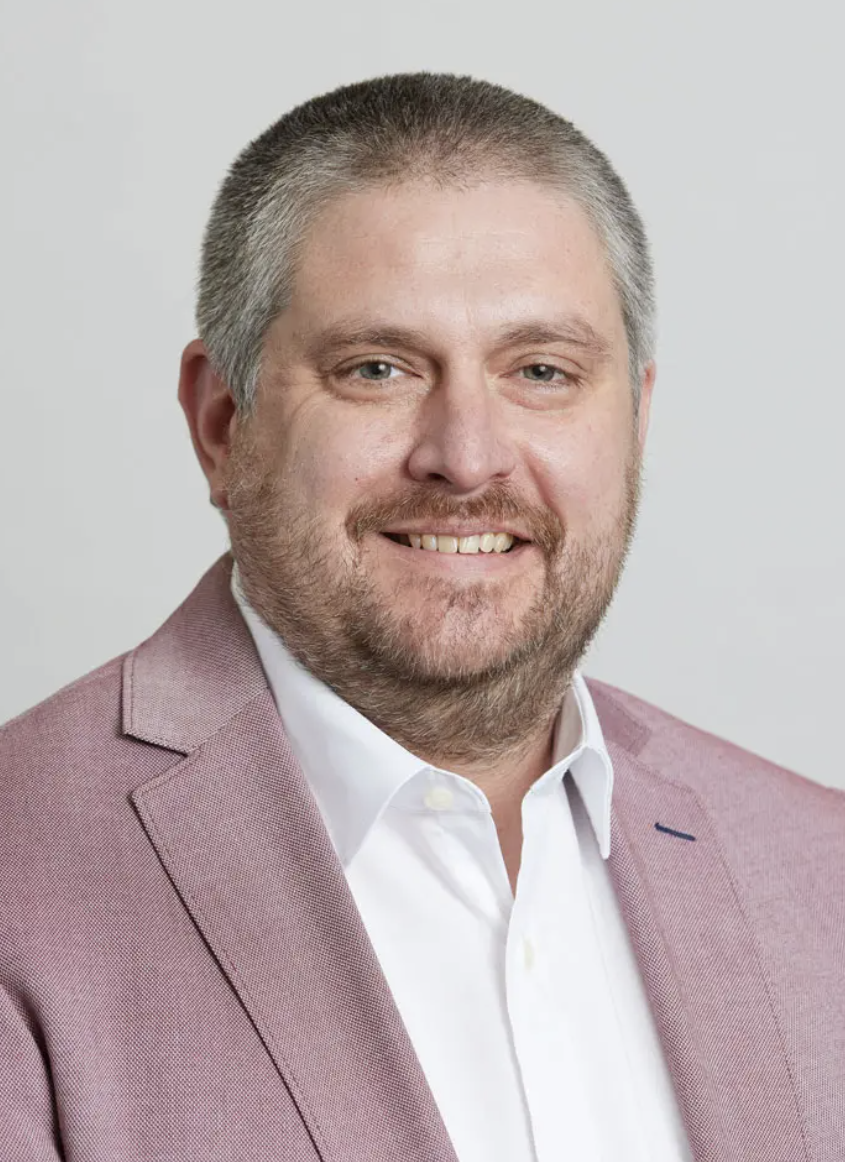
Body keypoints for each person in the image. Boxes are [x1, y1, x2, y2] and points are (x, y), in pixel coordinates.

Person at [0, 73, 842, 1162]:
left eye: (540, 370)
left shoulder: (820, 870)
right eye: (378, 368)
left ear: (633, 421)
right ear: (222, 421)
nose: (466, 456)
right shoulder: (24, 879)